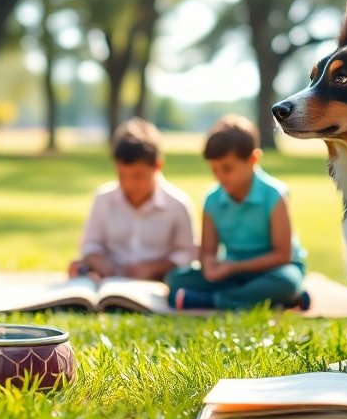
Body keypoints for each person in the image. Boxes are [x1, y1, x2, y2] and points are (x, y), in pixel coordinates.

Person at [167, 115, 309, 311]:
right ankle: (278, 299)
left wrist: (233, 267)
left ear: (253, 159)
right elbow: (208, 252)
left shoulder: (275, 195)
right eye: (214, 169)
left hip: (274, 270)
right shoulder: (212, 200)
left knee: (287, 283)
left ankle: (212, 301)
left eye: (227, 168)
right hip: (232, 273)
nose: (219, 176)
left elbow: (282, 255)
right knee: (175, 279)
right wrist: (209, 266)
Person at [69, 118, 198, 281]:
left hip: (156, 283)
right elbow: (90, 244)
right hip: (108, 280)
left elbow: (188, 253)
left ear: (157, 166)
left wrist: (155, 268)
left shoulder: (178, 204)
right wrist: (96, 259)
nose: (129, 184)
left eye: (138, 176)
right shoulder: (103, 199)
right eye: (122, 175)